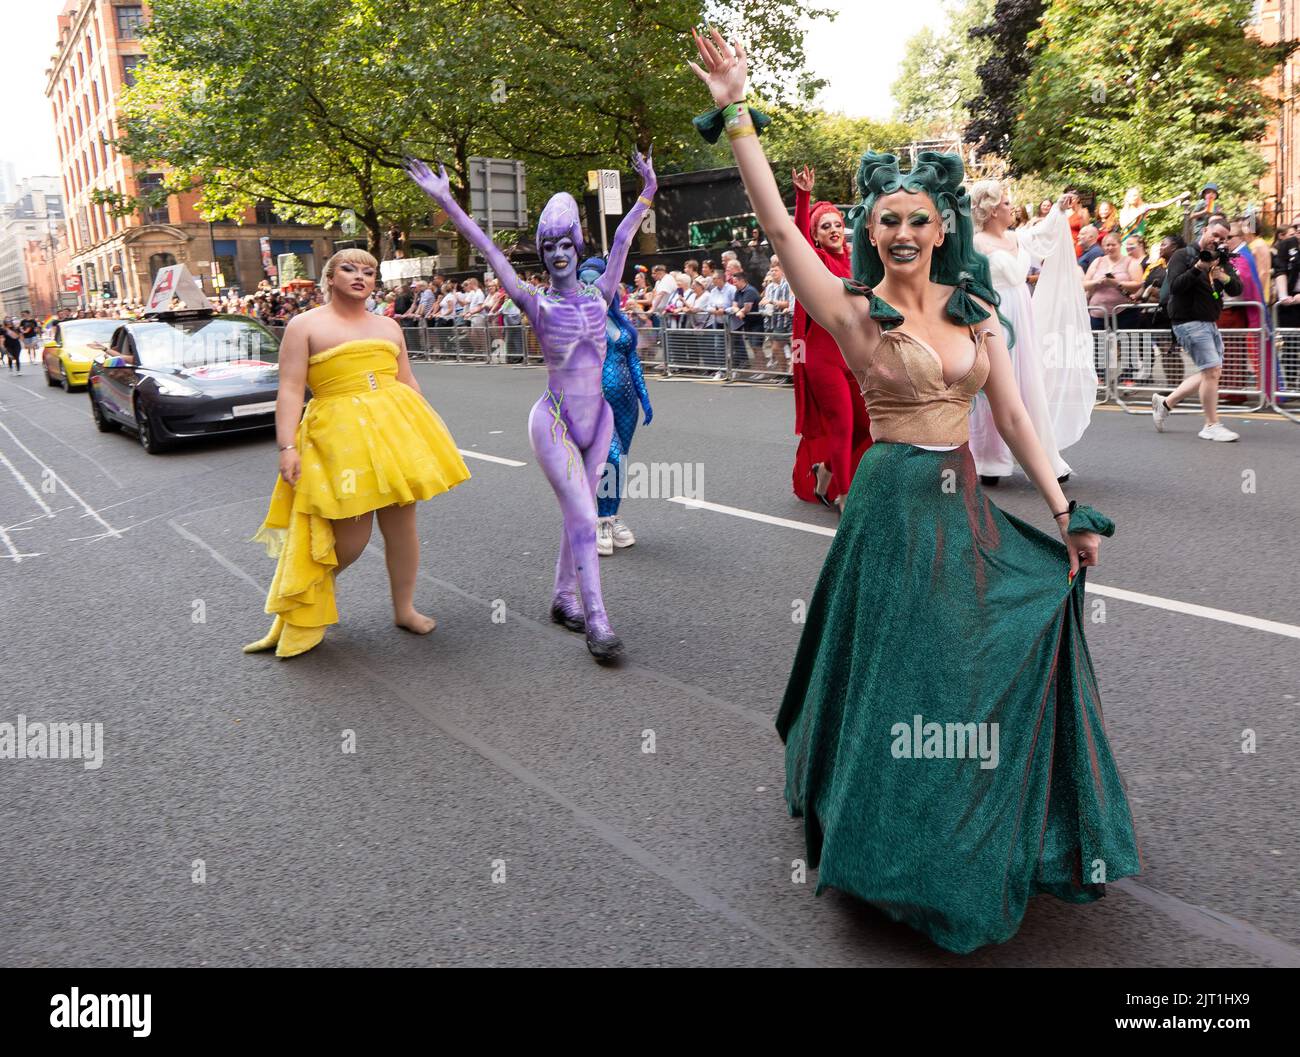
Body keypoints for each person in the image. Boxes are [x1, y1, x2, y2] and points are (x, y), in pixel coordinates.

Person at [689, 27, 1139, 954]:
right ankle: (889, 845)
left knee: (966, 664)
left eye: (915, 220)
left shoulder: (978, 314)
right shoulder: (856, 311)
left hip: (962, 500)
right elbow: (778, 225)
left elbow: (1015, 421)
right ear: (871, 231)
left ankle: (962, 826)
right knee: (905, 671)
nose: (898, 233)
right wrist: (739, 112)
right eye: (884, 220)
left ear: (943, 228)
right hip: (891, 501)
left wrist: (1063, 508)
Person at [407, 149, 658, 660]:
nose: (560, 253)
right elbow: (487, 248)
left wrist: (648, 189)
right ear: (542, 253)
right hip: (556, 422)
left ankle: (564, 597)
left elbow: (626, 239)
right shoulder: (531, 299)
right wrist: (446, 200)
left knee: (579, 516)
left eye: (567, 244)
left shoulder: (601, 293)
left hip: (601, 420)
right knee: (586, 518)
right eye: (550, 246)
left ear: (577, 246)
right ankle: (597, 621)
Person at [243, 250, 471, 658]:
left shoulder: (388, 326)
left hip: (394, 432)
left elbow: (407, 381)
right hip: (337, 437)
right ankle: (306, 602)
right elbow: (291, 390)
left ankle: (405, 610)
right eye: (349, 269)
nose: (360, 276)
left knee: (403, 527)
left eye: (369, 271)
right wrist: (287, 447)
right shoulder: (303, 325)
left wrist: (423, 433)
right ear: (329, 277)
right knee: (351, 536)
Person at [968, 182, 1089, 485]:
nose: (1012, 208)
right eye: (1007, 203)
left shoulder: (1016, 237)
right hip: (994, 314)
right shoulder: (976, 243)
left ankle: (1044, 457)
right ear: (993, 209)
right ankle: (988, 460)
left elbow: (1044, 235)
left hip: (1023, 311)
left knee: (1029, 383)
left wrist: (1059, 209)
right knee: (995, 386)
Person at [789, 165, 870, 511]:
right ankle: (844, 494)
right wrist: (803, 196)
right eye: (826, 227)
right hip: (823, 358)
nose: (834, 230)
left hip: (857, 356)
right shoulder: (816, 261)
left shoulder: (859, 263)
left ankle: (824, 470)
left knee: (867, 426)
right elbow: (796, 243)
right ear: (817, 237)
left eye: (838, 224)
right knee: (843, 423)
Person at [577, 257, 654, 556]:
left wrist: (644, 397)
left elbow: (632, 360)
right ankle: (600, 521)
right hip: (595, 402)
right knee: (609, 457)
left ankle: (612, 517)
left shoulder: (620, 321)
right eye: (582, 281)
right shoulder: (580, 322)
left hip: (626, 404)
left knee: (619, 460)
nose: (587, 286)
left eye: (593, 280)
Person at [1152, 218, 1243, 440]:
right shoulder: (1182, 255)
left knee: (1211, 372)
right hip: (1187, 321)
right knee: (1211, 370)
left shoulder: (1221, 260)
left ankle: (1165, 403)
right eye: (1215, 235)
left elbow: (1237, 288)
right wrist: (1198, 268)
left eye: (1223, 238)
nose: (1218, 240)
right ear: (1204, 231)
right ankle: (1211, 425)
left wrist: (1222, 274)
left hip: (1209, 322)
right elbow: (1174, 287)